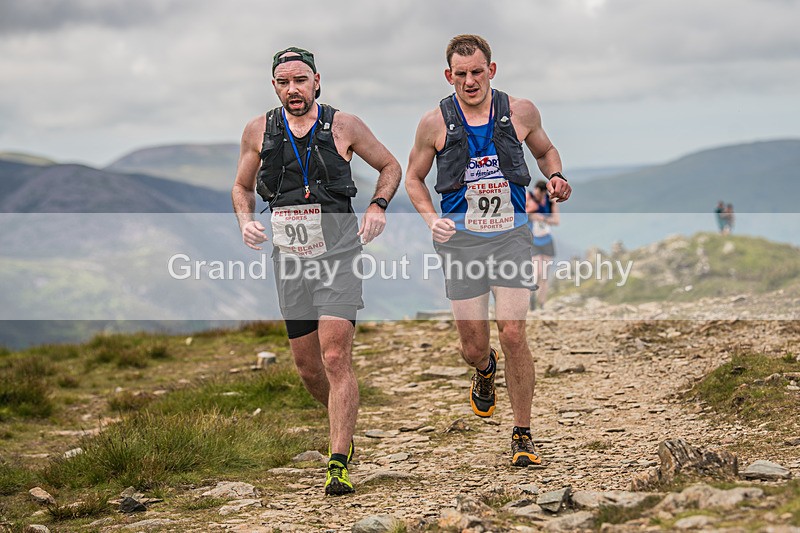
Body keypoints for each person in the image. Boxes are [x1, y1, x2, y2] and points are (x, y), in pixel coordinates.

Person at [231, 47, 401, 495]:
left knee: (334, 356)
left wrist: (378, 206)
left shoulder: (344, 125)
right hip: (289, 259)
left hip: (339, 254)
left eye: (301, 80)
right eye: (284, 82)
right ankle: (341, 419)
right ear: (274, 86)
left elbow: (390, 165)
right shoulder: (258, 130)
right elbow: (241, 186)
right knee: (309, 370)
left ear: (317, 81)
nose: (293, 90)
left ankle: (338, 460)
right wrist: (246, 220)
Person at [405, 35, 571, 467]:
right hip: (460, 242)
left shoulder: (521, 111)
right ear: (449, 76)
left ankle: (523, 432)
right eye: (461, 74)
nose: (470, 81)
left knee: (513, 332)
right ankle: (483, 369)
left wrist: (555, 176)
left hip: (510, 235)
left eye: (477, 71)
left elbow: (546, 151)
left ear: (491, 71)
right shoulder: (433, 124)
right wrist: (430, 218)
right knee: (473, 347)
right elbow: (413, 179)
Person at [526, 180, 559, 310]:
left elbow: (556, 221)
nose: (539, 197)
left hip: (546, 240)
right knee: (537, 271)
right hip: (533, 240)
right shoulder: (528, 198)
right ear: (535, 190)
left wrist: (542, 218)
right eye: (538, 194)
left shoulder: (550, 203)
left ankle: (542, 303)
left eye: (542, 195)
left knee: (545, 274)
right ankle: (532, 297)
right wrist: (531, 215)